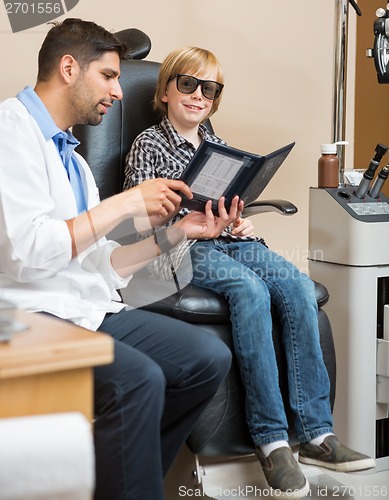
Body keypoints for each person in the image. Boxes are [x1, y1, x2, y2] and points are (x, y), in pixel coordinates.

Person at [0, 20, 242, 500]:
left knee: (207, 359)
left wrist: (176, 234)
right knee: (139, 381)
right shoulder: (11, 132)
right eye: (109, 76)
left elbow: (99, 263)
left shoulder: (72, 158)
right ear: (69, 68)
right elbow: (27, 252)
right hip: (24, 316)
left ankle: (123, 479)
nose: (119, 91)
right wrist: (127, 203)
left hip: (80, 309)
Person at [124, 46, 376, 499]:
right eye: (188, 84)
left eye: (210, 89)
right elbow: (135, 218)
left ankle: (317, 435)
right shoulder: (149, 144)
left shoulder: (218, 147)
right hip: (183, 249)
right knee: (249, 290)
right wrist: (185, 220)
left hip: (229, 240)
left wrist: (238, 218)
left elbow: (227, 204)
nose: (199, 95)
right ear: (165, 91)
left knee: (298, 288)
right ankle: (272, 440)